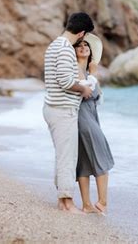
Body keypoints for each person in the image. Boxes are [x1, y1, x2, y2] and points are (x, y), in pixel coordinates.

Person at [42, 12, 94, 214]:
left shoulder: (55, 44)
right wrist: (84, 89)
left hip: (53, 107)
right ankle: (67, 202)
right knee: (67, 157)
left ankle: (63, 201)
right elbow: (65, 82)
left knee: (62, 155)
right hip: (62, 110)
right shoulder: (64, 49)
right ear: (81, 33)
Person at [73, 35, 114, 215]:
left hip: (87, 117)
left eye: (86, 45)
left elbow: (97, 97)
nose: (83, 47)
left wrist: (93, 73)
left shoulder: (87, 72)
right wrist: (94, 74)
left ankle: (87, 205)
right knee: (101, 157)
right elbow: (89, 94)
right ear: (74, 52)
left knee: (83, 161)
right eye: (79, 46)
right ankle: (102, 202)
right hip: (84, 118)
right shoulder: (77, 70)